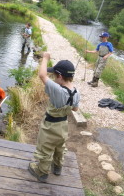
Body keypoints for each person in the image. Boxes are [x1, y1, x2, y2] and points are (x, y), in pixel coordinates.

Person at [28, 52, 80, 182]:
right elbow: (75, 108)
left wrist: (45, 58)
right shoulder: (76, 91)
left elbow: (42, 75)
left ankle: (42, 172)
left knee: (45, 148)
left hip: (50, 126)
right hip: (63, 126)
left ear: (60, 76)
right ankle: (57, 167)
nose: (53, 78)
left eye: (55, 75)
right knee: (59, 146)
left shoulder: (58, 90)